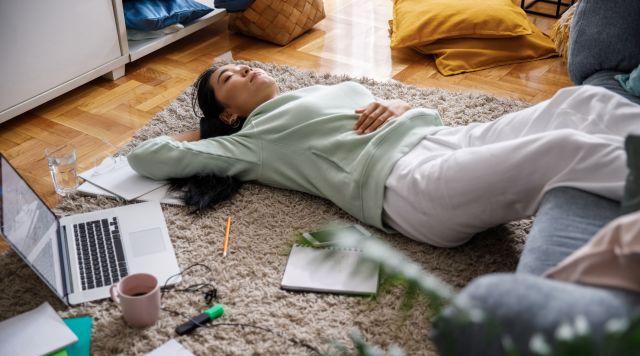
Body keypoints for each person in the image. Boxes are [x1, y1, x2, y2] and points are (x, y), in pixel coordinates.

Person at [127, 64, 640, 248]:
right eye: (229, 80)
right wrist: (203, 132)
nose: (245, 71)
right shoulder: (248, 142)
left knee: (583, 101)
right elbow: (147, 157)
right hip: (409, 186)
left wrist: (398, 101)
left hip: (449, 139)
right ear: (230, 114)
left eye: (242, 66)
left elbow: (396, 108)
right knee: (560, 151)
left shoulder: (324, 89)